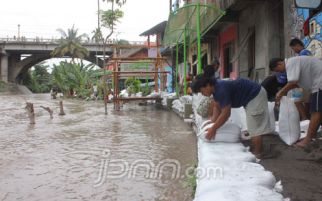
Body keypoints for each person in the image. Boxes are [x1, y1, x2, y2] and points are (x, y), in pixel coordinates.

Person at [191, 75, 271, 157]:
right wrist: (212, 122)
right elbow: (217, 105)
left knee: (254, 127)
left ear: (207, 85)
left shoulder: (221, 89)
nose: (203, 94)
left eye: (202, 91)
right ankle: (256, 147)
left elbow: (226, 114)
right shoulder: (215, 89)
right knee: (253, 126)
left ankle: (258, 153)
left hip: (255, 95)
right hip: (250, 96)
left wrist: (213, 128)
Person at [269, 56, 322, 148]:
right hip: (317, 84)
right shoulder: (295, 63)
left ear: (280, 63)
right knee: (317, 110)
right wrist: (284, 92)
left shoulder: (291, 63)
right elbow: (295, 84)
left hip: (319, 83)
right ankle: (311, 136)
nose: (279, 72)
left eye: (277, 70)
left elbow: (293, 82)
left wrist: (280, 93)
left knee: (316, 111)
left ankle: (308, 139)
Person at [289, 38, 312, 120]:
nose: (293, 50)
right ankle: (307, 118)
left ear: (298, 46)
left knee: (297, 100)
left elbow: (303, 68)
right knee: (307, 102)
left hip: (304, 81)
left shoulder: (303, 53)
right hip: (309, 81)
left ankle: (304, 118)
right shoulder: (307, 52)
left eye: (293, 48)